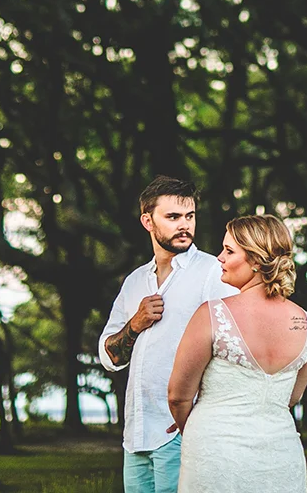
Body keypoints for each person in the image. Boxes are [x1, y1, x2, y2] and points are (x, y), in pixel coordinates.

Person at [98, 176, 237, 493]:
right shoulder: (134, 282)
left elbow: (234, 345)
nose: (184, 225)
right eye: (173, 217)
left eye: (189, 216)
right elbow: (109, 357)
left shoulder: (212, 273)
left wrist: (199, 416)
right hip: (137, 433)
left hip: (183, 431)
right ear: (148, 221)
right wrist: (134, 324)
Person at [168, 214, 307, 493]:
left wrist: (196, 430)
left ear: (258, 261)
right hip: (281, 457)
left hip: (216, 454)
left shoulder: (212, 314)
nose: (219, 258)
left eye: (229, 251)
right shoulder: (303, 322)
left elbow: (178, 396)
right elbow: (291, 398)